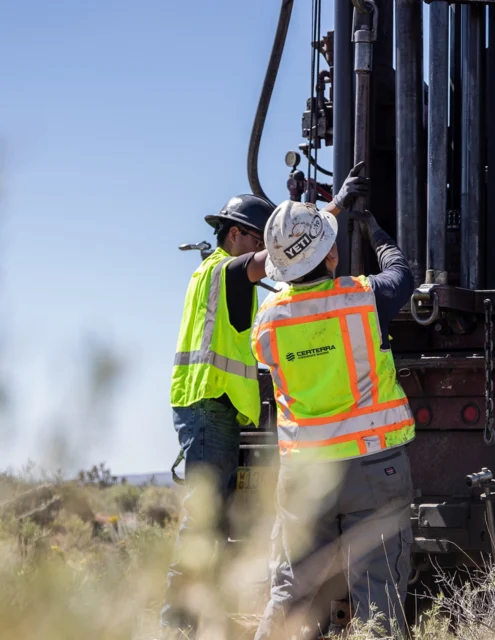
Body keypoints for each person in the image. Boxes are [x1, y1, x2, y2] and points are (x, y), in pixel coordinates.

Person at [161, 166, 368, 638]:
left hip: (208, 412)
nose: (264, 248)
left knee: (210, 530)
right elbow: (285, 259)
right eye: (258, 238)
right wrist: (332, 209)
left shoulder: (208, 275)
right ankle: (177, 627)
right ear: (235, 235)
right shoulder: (227, 271)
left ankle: (193, 623)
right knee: (203, 528)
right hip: (211, 412)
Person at [251, 191, 416, 639]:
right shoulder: (364, 298)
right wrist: (375, 230)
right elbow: (403, 275)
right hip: (372, 467)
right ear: (332, 255)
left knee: (292, 592)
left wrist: (334, 209)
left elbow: (301, 264)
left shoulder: (267, 322)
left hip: (304, 473)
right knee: (378, 596)